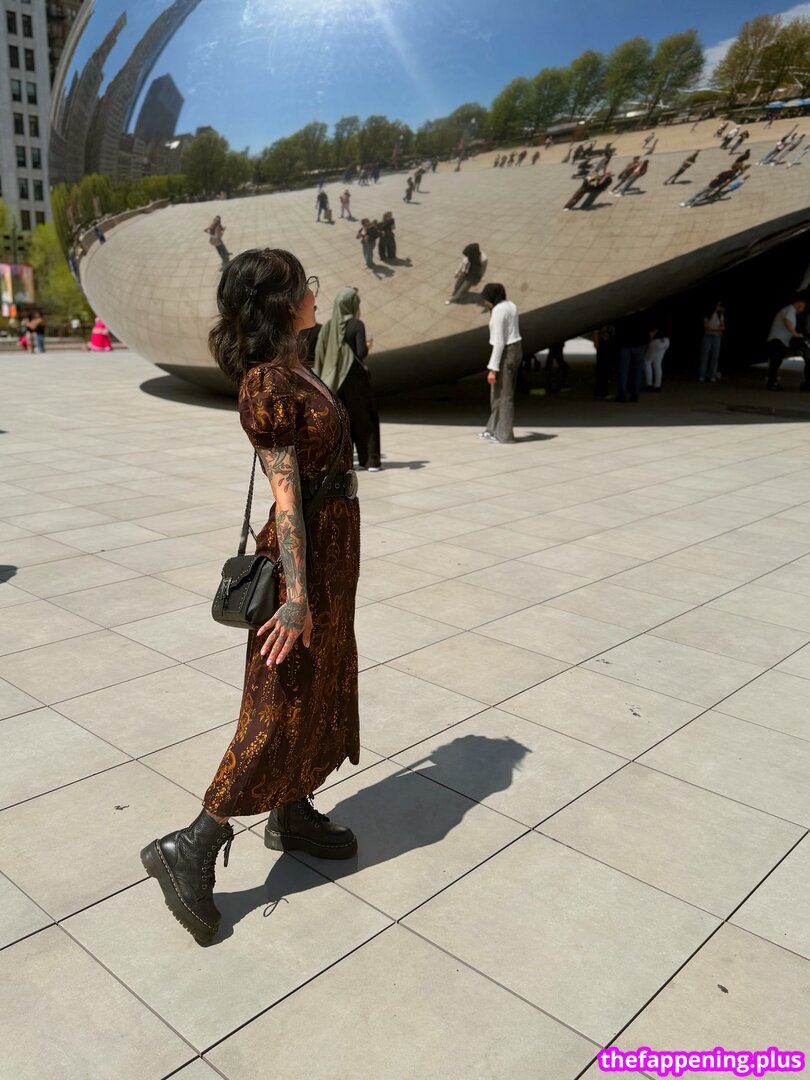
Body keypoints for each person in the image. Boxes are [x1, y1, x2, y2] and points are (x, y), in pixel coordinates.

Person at [141, 250, 361, 946]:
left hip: (332, 555)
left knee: (315, 684)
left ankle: (290, 812)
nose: (315, 294)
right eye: (306, 286)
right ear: (283, 302)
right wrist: (295, 595)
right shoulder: (267, 383)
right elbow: (285, 496)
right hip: (304, 562)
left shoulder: (296, 364)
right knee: (278, 703)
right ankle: (191, 846)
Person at [315, 287, 381, 471]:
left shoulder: (328, 327)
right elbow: (361, 352)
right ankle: (370, 461)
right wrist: (367, 346)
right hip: (356, 380)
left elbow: (320, 354)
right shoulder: (356, 325)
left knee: (343, 421)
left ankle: (345, 462)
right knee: (366, 418)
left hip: (334, 382)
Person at [479, 283, 522, 443]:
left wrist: (493, 369)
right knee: (498, 394)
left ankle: (504, 436)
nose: (485, 302)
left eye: (486, 299)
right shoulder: (511, 305)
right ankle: (492, 429)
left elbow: (499, 342)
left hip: (506, 352)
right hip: (515, 349)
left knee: (504, 396)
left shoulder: (498, 311)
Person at [766, 295, 807, 390]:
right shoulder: (789, 310)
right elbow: (787, 322)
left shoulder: (789, 311)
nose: (802, 310)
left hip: (779, 340)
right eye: (803, 307)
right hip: (777, 340)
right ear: (799, 304)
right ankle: (772, 383)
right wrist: (795, 334)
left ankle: (773, 382)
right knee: (775, 362)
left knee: (776, 362)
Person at [615, 311, 650, 402]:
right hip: (639, 344)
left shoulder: (622, 317)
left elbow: (618, 330)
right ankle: (634, 394)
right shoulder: (642, 316)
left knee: (623, 370)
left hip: (625, 344)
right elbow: (647, 330)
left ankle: (622, 394)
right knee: (637, 370)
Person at [699, 301, 725, 381]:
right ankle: (702, 375)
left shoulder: (720, 315)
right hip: (708, 336)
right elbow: (706, 327)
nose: (719, 307)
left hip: (717, 337)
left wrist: (716, 330)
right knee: (705, 356)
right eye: (718, 305)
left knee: (715, 356)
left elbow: (723, 327)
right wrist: (717, 330)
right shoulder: (708, 315)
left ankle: (712, 375)